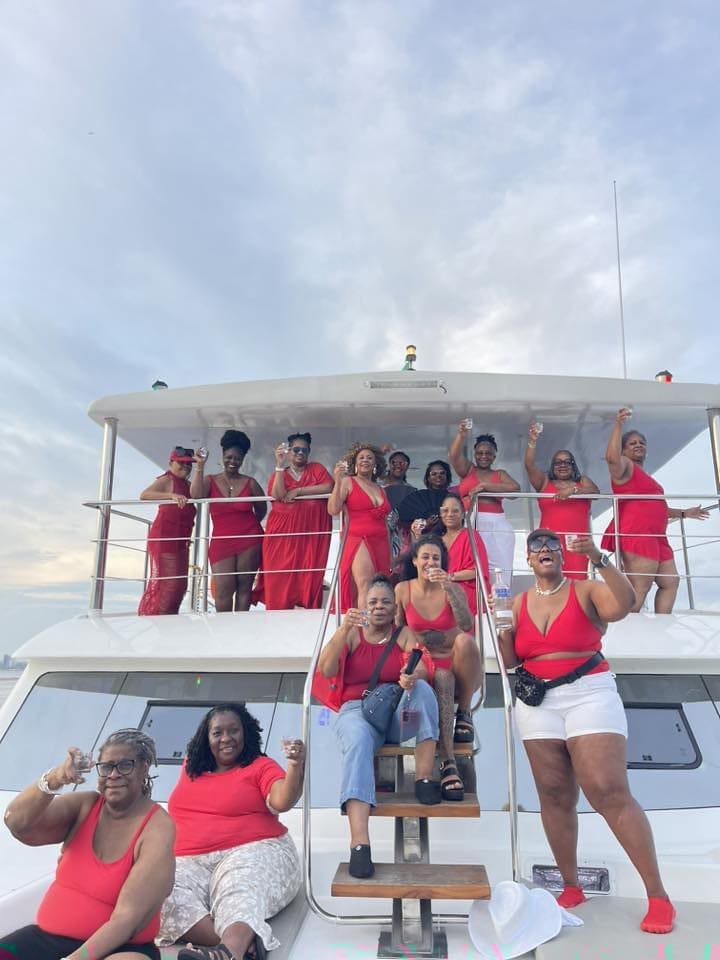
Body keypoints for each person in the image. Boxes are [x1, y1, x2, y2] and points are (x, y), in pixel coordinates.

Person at [497, 528, 675, 934]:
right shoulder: (518, 603)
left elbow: (625, 605)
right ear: (528, 559)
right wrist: (502, 623)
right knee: (553, 793)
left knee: (607, 791)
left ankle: (658, 896)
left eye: (551, 546)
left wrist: (598, 556)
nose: (544, 550)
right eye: (536, 547)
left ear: (562, 556)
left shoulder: (586, 589)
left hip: (588, 692)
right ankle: (572, 886)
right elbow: (508, 659)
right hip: (537, 700)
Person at [1, 730, 175, 960]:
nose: (113, 775)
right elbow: (17, 823)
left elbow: (127, 921)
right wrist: (56, 778)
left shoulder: (158, 828)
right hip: (46, 940)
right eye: (106, 767)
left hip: (120, 948)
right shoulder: (85, 806)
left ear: (144, 768)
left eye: (125, 766)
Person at [159, 703, 304, 960]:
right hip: (188, 859)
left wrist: (294, 765)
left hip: (254, 850)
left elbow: (282, 800)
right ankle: (239, 947)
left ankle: (229, 953)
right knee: (158, 892)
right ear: (206, 738)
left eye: (233, 731)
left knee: (238, 888)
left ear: (245, 732)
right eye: (218, 733)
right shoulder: (192, 766)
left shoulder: (260, 766)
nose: (226, 738)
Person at [318, 574, 440, 879]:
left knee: (424, 690)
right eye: (373, 602)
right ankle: (360, 844)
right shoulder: (351, 634)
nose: (379, 607)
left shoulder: (403, 634)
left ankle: (425, 777)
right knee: (358, 740)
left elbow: (422, 667)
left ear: (395, 608)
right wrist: (343, 629)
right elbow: (327, 669)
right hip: (357, 711)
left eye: (386, 602)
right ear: (363, 605)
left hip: (397, 716)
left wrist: (412, 677)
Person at [395, 536, 481, 801]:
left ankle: (464, 712)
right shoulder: (402, 590)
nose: (430, 562)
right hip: (422, 662)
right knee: (442, 677)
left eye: (436, 558)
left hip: (453, 660)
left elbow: (466, 624)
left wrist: (449, 587)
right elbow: (397, 630)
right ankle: (448, 762)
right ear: (414, 560)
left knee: (466, 642)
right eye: (425, 557)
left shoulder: (452, 588)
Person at [601, 408, 709, 613]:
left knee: (670, 582)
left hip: (658, 536)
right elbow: (611, 459)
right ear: (623, 451)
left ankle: (661, 624)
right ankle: (626, 627)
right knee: (640, 587)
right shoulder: (625, 468)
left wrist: (684, 513)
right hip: (638, 534)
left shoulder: (646, 477)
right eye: (632, 443)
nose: (638, 445)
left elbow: (657, 507)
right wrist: (618, 424)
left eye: (641, 442)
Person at [191, 431, 266, 612]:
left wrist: (248, 528)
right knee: (223, 590)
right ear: (222, 456)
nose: (233, 461)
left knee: (244, 587)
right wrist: (200, 466)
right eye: (229, 457)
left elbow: (262, 510)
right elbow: (196, 496)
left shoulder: (250, 483)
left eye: (238, 458)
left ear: (243, 460)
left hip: (249, 540)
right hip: (222, 541)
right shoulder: (210, 480)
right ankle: (223, 626)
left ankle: (240, 626)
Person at [261, 432, 334, 609]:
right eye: (296, 449)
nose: (300, 453)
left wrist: (299, 491)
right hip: (282, 534)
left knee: (309, 574)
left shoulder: (316, 469)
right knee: (279, 575)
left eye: (304, 450)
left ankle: (308, 613)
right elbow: (278, 495)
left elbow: (329, 486)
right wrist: (279, 465)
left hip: (311, 533)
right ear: (289, 451)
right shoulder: (280, 473)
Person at [523, 423, 600, 580]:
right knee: (549, 579)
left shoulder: (582, 481)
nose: (562, 465)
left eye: (567, 462)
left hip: (576, 543)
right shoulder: (544, 482)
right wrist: (532, 440)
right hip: (549, 543)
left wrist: (574, 490)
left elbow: (595, 493)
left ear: (573, 466)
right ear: (552, 466)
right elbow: (529, 465)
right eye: (558, 462)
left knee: (577, 582)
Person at [449, 425, 520, 584]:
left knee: (499, 567)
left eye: (488, 453)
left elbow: (515, 490)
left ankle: (499, 598)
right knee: (472, 564)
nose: (483, 456)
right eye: (480, 453)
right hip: (470, 521)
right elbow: (453, 456)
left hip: (496, 524)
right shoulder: (468, 470)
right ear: (474, 454)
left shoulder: (499, 474)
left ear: (494, 456)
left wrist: (485, 486)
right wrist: (461, 434)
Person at [328, 443, 391, 611]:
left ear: (375, 464)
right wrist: (338, 480)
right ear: (355, 463)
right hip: (358, 538)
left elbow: (385, 523)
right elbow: (333, 510)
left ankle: (375, 621)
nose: (365, 460)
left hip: (381, 541)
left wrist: (390, 551)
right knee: (366, 583)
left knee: (380, 586)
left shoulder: (380, 489)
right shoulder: (348, 482)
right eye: (361, 457)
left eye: (369, 458)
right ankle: (365, 624)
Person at [138, 446, 197, 615]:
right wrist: (171, 495)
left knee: (180, 585)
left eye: (189, 464)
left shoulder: (188, 485)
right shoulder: (167, 479)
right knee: (169, 585)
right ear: (171, 463)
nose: (186, 467)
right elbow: (144, 495)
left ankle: (170, 616)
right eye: (181, 463)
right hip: (165, 537)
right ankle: (158, 618)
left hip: (181, 540)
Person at [419, 492, 491, 616]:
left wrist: (449, 577)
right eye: (445, 511)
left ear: (463, 514)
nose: (450, 514)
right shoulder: (437, 539)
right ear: (440, 514)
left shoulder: (471, 535)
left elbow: (478, 571)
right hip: (439, 593)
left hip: (465, 595)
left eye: (455, 511)